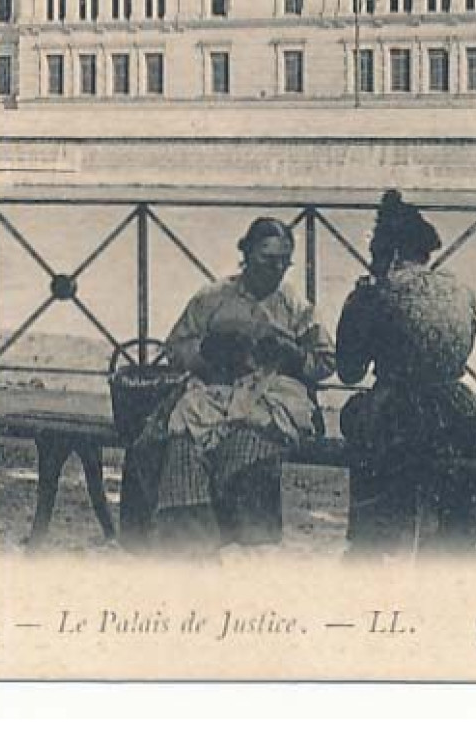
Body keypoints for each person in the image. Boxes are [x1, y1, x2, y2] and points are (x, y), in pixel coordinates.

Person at [122, 217, 334, 554]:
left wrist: (289, 351)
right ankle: (192, 551)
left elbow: (325, 363)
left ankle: (246, 546)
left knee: (244, 452)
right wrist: (209, 351)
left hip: (269, 400)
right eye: (268, 260)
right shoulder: (213, 298)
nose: (277, 269)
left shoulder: (295, 306)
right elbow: (175, 349)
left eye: (284, 262)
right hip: (212, 394)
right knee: (184, 448)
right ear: (247, 254)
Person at [336, 190, 476, 557]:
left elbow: (350, 371)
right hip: (462, 417)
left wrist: (357, 309)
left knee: (359, 415)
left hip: (400, 417)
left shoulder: (374, 294)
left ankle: (370, 540)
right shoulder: (462, 291)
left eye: (376, 255)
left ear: (391, 253)